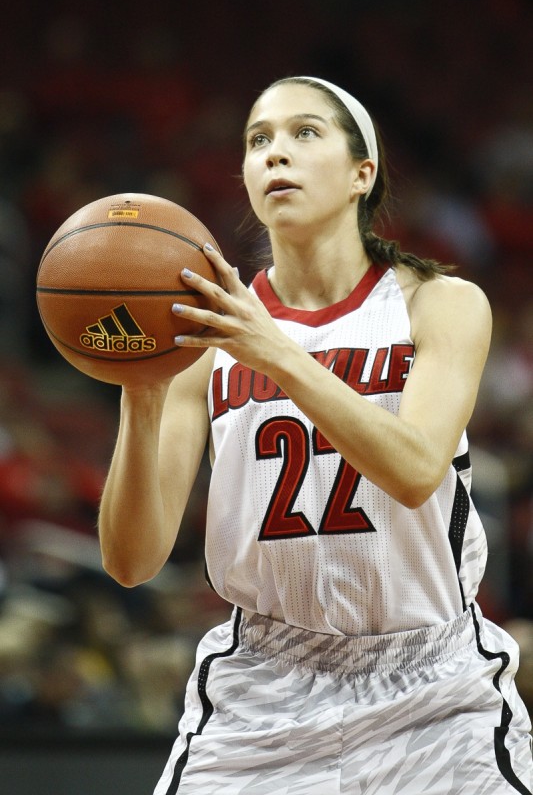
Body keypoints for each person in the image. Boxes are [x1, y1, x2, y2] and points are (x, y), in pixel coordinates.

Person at [98, 76, 533, 794]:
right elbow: (131, 560)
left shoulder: (440, 304)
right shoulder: (204, 341)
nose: (276, 153)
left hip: (431, 685)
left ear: (362, 173)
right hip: (262, 685)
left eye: (304, 133)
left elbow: (414, 470)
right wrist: (141, 394)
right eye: (258, 140)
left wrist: (275, 352)